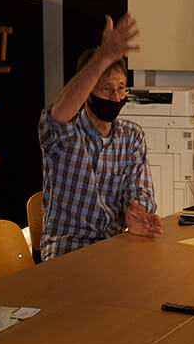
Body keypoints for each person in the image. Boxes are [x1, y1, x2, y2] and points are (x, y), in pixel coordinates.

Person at [37, 13, 161, 260]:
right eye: (106, 89)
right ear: (87, 93)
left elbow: (141, 190)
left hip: (114, 246)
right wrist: (102, 57)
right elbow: (57, 115)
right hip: (68, 250)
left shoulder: (132, 135)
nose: (116, 97)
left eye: (121, 88)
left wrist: (137, 211)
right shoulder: (67, 134)